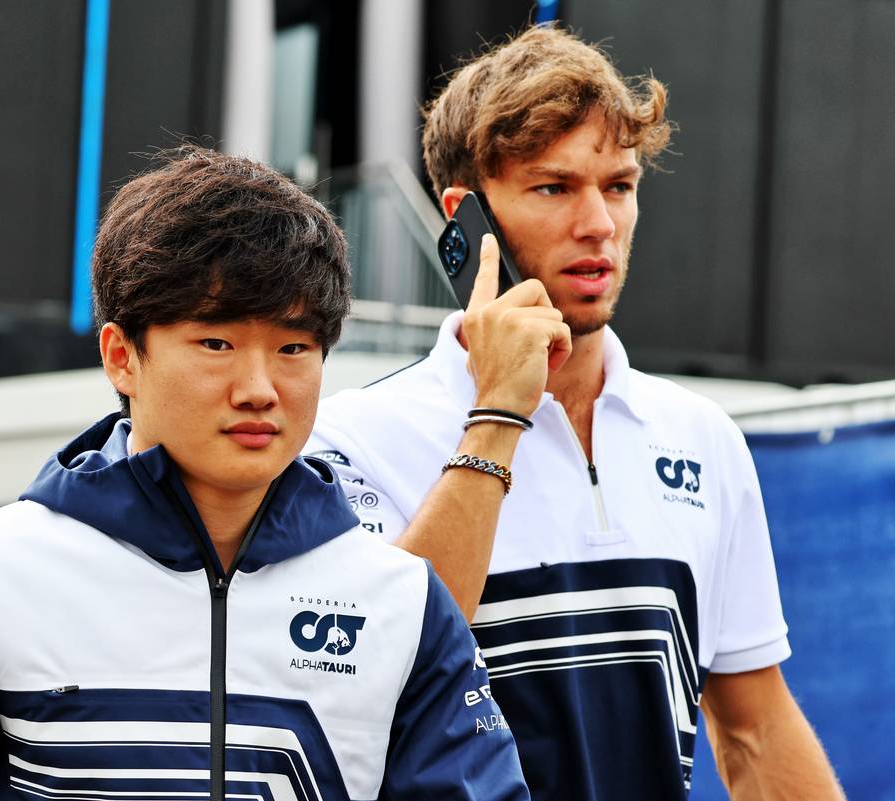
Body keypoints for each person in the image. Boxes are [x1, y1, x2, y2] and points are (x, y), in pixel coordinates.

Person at [0, 147, 528, 801]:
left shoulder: (401, 599)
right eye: (216, 341)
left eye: (293, 345)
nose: (260, 387)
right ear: (121, 356)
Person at [307, 25, 845, 800]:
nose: (599, 223)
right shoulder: (352, 440)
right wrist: (497, 412)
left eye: (618, 186)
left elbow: (755, 729)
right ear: (466, 220)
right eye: (555, 187)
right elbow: (380, 682)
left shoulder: (702, 439)